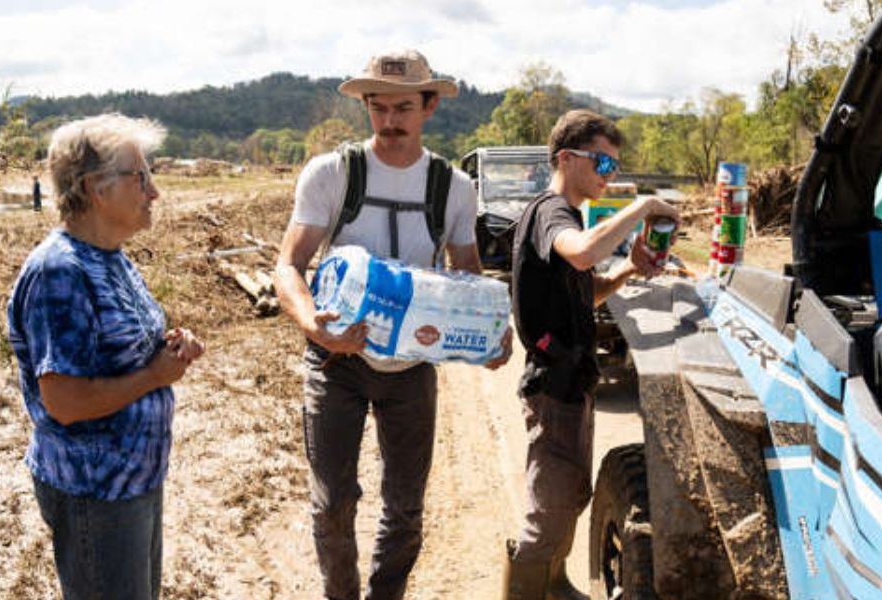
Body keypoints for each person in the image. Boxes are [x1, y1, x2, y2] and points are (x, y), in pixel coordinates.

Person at [274, 48, 512, 600]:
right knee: (333, 502)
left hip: (411, 369)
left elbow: (468, 278)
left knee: (405, 508)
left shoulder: (452, 187)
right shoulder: (332, 174)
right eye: (377, 108)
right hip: (337, 362)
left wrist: (488, 334)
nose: (389, 120)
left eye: (403, 107)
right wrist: (315, 326)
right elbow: (289, 264)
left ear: (429, 106)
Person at [6, 113, 204, 600]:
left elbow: (128, 350)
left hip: (133, 481)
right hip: (96, 492)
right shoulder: (60, 272)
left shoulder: (110, 255)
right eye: (142, 177)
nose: (153, 192)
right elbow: (65, 402)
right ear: (97, 187)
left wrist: (174, 347)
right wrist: (156, 375)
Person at [503, 109, 679, 599]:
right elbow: (581, 252)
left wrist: (628, 268)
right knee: (552, 505)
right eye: (602, 165)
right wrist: (641, 207)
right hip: (552, 383)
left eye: (614, 168)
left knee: (572, 494)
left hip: (572, 380)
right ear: (566, 158)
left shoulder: (568, 218)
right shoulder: (550, 213)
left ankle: (553, 585)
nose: (610, 176)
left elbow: (587, 287)